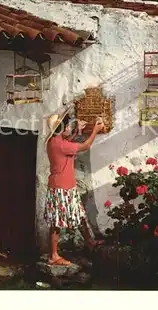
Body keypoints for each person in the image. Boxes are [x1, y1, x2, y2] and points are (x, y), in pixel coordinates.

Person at [44, 108, 105, 266]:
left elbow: (67, 143)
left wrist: (77, 131)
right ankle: (53, 256)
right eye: (67, 127)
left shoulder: (54, 142)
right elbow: (84, 146)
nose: (69, 128)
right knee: (57, 223)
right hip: (61, 189)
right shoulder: (61, 145)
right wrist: (95, 131)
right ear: (61, 129)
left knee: (78, 215)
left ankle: (89, 242)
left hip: (65, 187)